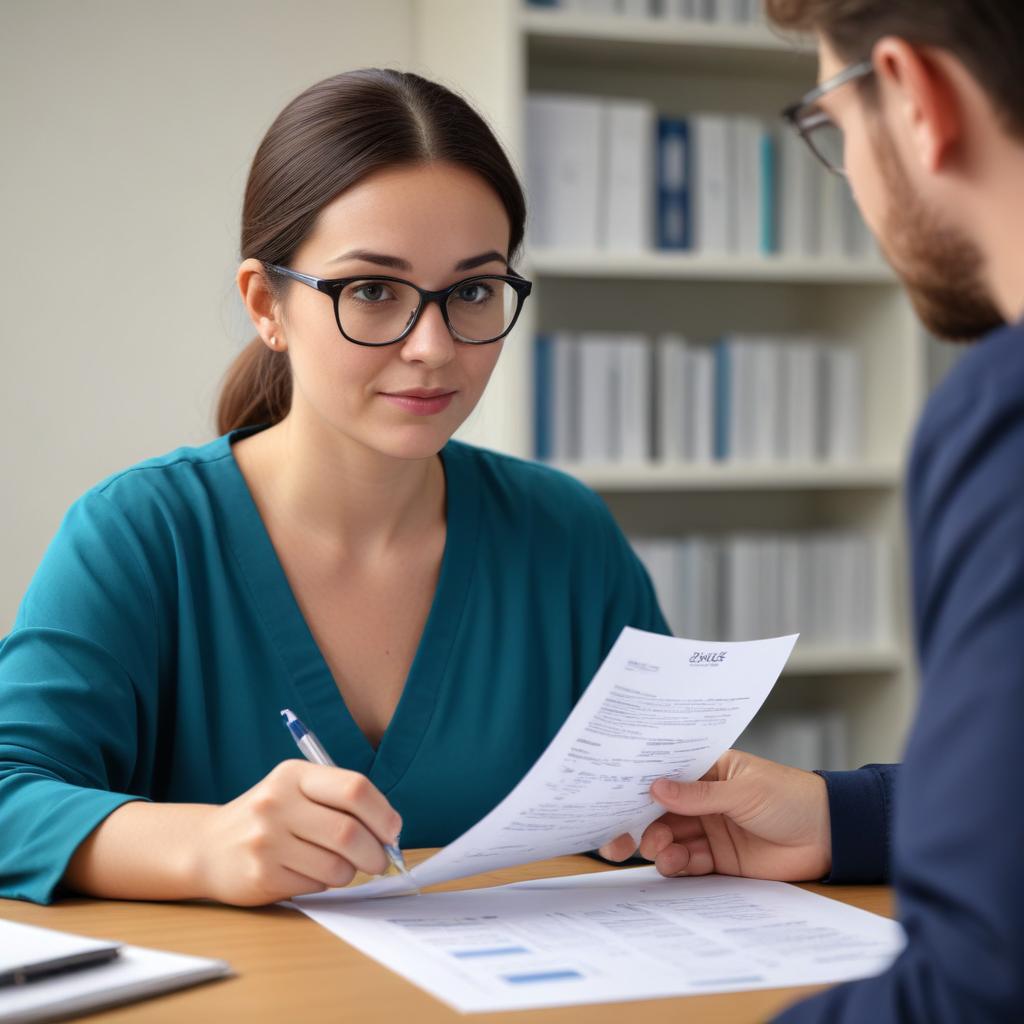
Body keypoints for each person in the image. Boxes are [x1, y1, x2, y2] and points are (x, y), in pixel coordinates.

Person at [0, 68, 668, 908]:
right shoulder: (139, 535)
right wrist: (202, 846)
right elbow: (8, 791)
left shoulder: (565, 534)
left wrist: (663, 820)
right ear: (266, 305)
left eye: (471, 291)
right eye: (374, 291)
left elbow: (666, 793)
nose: (431, 345)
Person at [601, 1, 1024, 1019]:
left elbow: (976, 989)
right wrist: (847, 815)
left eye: (833, 125)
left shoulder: (1001, 414)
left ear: (915, 96)